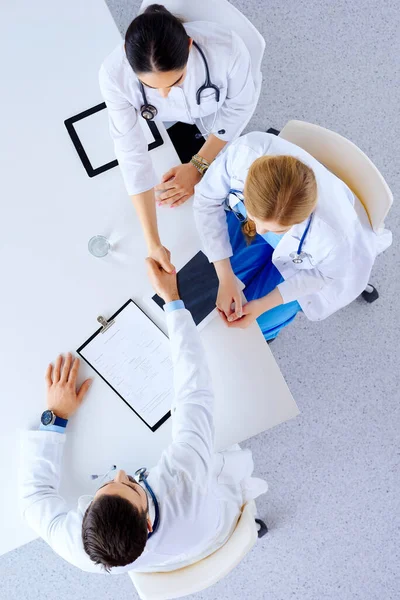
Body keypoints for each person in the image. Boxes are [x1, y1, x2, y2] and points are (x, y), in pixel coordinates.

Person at [18, 260, 267, 574]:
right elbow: (195, 392)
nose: (121, 473)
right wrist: (173, 302)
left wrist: (56, 416)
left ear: (85, 519)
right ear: (147, 523)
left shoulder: (84, 549)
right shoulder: (186, 482)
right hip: (217, 523)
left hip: (171, 557)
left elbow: (33, 498)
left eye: (106, 486)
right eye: (131, 487)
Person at [99, 4, 257, 273]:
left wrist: (198, 166)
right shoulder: (114, 75)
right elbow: (131, 152)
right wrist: (153, 243)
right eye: (150, 87)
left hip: (224, 109)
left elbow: (237, 109)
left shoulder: (227, 50)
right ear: (127, 53)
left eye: (176, 81)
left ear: (189, 45)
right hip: (195, 118)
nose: (163, 96)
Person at [194, 131, 392, 341]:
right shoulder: (245, 154)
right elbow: (207, 199)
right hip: (270, 224)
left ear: (303, 218)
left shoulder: (335, 237)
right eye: (255, 218)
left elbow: (322, 275)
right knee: (213, 284)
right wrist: (225, 278)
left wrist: (264, 304)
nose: (259, 232)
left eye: (278, 229)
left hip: (311, 261)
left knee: (256, 328)